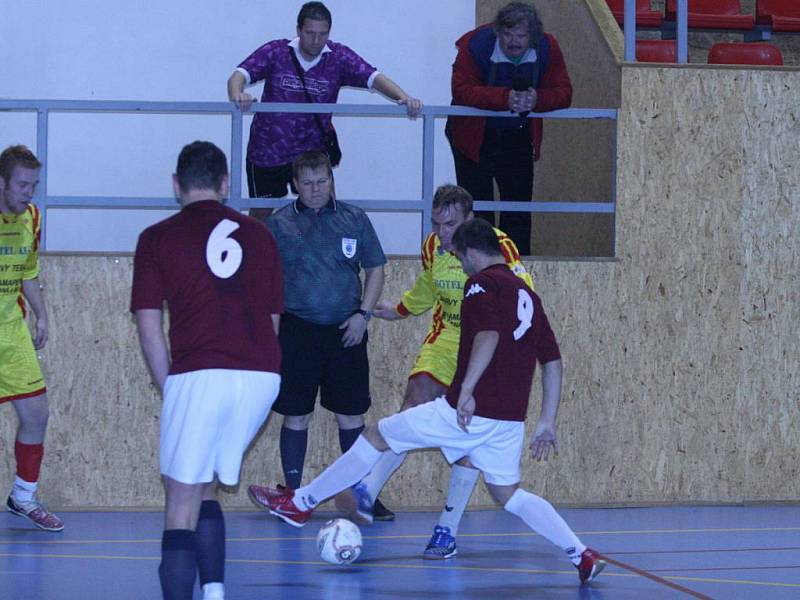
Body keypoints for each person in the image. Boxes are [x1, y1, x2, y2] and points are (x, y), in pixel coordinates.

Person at [255, 218, 606, 585]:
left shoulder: (480, 285)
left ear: (471, 252)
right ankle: (580, 554)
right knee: (509, 495)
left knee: (376, 435)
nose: (460, 263)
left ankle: (300, 503)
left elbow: (487, 335)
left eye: (458, 256)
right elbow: (552, 360)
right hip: (508, 421)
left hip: (467, 412)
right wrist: (546, 421)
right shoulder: (527, 295)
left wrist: (467, 389)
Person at [334, 184, 533, 560]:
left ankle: (447, 529)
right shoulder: (432, 247)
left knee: (465, 439)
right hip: (448, 338)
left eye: (452, 224)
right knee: (413, 404)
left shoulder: (500, 246)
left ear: (470, 220)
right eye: (438, 224)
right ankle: (366, 492)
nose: (443, 233)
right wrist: (400, 309)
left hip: (487, 341)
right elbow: (428, 287)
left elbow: (524, 295)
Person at [131, 141, 283, 600]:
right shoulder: (260, 234)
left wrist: (171, 386)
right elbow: (274, 320)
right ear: (225, 184)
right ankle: (214, 593)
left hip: (200, 373)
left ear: (176, 185)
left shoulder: (156, 237)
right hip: (262, 377)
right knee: (208, 485)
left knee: (180, 499)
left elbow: (149, 324)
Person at [246, 151, 393, 518]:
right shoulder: (278, 224)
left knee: (352, 416)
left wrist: (363, 315)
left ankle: (360, 494)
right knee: (296, 415)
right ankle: (293, 496)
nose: (315, 189)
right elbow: (262, 279)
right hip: (297, 332)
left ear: (332, 181)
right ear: (295, 184)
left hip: (348, 331)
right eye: (307, 183)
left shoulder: (355, 219)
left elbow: (375, 268)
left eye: (322, 182)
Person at [227, 1, 422, 220]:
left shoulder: (339, 57)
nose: (317, 40)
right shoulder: (276, 51)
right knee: (261, 213)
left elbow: (374, 78)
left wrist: (404, 98)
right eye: (310, 33)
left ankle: (325, 254)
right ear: (299, 30)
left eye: (323, 34)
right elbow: (239, 75)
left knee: (325, 212)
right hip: (267, 150)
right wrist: (237, 94)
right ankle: (255, 253)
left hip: (312, 151)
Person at [446, 1, 572, 255]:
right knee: (478, 214)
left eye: (521, 36)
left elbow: (564, 92)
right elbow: (460, 91)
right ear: (497, 32)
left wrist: (538, 100)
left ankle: (516, 273)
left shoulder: (548, 48)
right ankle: (478, 270)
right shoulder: (475, 45)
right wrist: (504, 99)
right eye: (507, 34)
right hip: (472, 140)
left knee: (518, 212)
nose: (513, 42)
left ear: (533, 36)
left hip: (517, 137)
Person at [0, 145, 63, 533]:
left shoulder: (31, 218)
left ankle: (23, 496)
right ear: (2, 183)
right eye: (22, 185)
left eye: (33, 185)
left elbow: (27, 270)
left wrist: (42, 314)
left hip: (11, 330)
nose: (28, 193)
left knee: (36, 414)